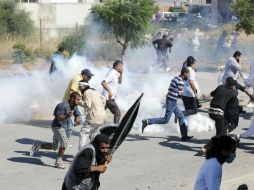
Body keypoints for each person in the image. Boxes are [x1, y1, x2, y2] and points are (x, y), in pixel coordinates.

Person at [30, 92, 82, 169]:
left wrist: (77, 119)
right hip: (57, 126)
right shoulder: (62, 105)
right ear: (72, 99)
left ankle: (37, 146)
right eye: (78, 100)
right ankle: (58, 161)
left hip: (67, 127)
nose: (79, 101)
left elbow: (77, 114)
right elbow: (59, 118)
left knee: (55, 146)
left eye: (80, 100)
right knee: (64, 143)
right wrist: (67, 116)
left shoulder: (75, 105)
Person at [141, 67, 193, 141]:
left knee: (181, 116)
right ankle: (147, 121)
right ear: (184, 73)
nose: (188, 76)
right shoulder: (181, 82)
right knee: (165, 120)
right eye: (188, 74)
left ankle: (184, 136)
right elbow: (180, 94)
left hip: (171, 100)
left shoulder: (175, 78)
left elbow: (172, 90)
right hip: (171, 101)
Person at [63, 69, 94, 142]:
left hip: (74, 103)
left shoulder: (80, 79)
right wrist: (78, 101)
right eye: (89, 77)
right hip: (70, 103)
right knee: (79, 121)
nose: (90, 79)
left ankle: (62, 129)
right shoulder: (77, 79)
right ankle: (64, 141)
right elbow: (72, 91)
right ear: (84, 75)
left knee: (79, 121)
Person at [78, 80, 107, 149]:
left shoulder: (86, 92)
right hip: (102, 116)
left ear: (84, 86)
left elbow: (88, 105)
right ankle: (96, 151)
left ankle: (81, 153)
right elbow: (104, 99)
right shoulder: (94, 91)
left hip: (93, 117)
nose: (79, 88)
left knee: (83, 134)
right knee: (93, 135)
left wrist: (79, 102)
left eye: (80, 87)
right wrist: (100, 108)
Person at [101, 60, 123, 124]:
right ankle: (114, 129)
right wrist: (109, 91)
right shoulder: (112, 73)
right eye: (120, 66)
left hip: (107, 98)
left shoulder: (115, 73)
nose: (121, 68)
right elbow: (103, 82)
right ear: (116, 66)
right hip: (108, 98)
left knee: (99, 113)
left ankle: (92, 126)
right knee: (117, 113)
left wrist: (121, 73)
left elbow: (120, 82)